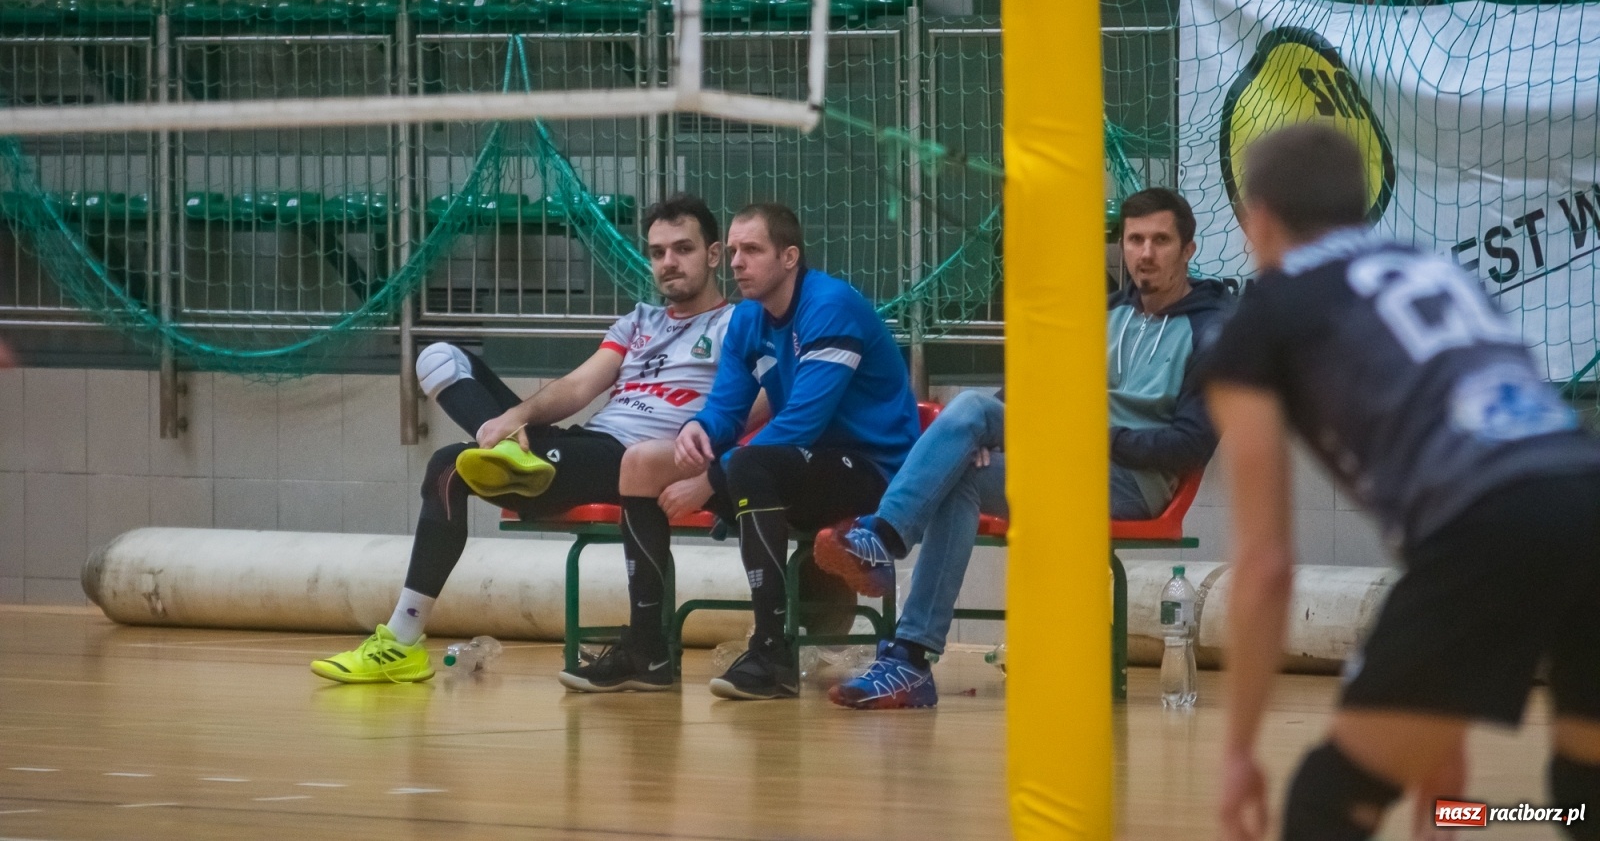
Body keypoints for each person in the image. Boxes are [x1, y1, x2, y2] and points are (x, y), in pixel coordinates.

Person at [1202, 124, 1600, 841]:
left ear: (1255, 217)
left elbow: (1264, 566)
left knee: (1327, 805)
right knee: (1583, 793)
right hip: (1584, 487)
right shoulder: (1436, 269)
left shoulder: (1266, 317)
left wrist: (1236, 755)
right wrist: (1439, 725)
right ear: (1358, 207)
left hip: (1489, 526)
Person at [813, 187, 1228, 709]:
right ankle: (909, 659)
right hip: (1063, 461)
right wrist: (984, 439)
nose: (1146, 253)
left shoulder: (1213, 329)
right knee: (964, 442)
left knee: (971, 422)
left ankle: (883, 542)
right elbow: (1025, 390)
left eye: (1161, 241)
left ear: (1188, 250)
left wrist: (1087, 436)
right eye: (1135, 239)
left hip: (1129, 483)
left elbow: (1189, 444)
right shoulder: (1103, 315)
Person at [311, 194, 736, 684]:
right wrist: (515, 416)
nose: (668, 262)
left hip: (635, 461)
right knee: (439, 356)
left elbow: (754, 407)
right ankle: (514, 454)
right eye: (658, 252)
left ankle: (401, 641)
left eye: (682, 249)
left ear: (714, 254)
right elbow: (578, 387)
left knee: (449, 467)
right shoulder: (639, 321)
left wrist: (709, 473)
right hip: (588, 445)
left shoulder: (734, 325)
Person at [562, 202, 922, 700]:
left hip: (870, 472)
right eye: (732, 251)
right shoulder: (749, 319)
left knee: (750, 464)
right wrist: (696, 429)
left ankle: (771, 655)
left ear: (789, 256)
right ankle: (648, 651)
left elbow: (801, 422)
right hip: (793, 465)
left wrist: (711, 479)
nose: (735, 262)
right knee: (641, 461)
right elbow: (726, 410)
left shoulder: (830, 307)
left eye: (751, 250)